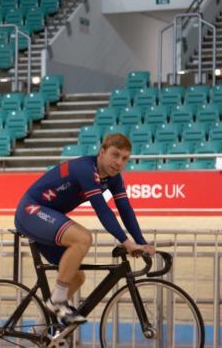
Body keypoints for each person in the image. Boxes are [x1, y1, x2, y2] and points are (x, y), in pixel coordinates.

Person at [14, 133, 156, 325]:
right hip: (31, 211)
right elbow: (103, 210)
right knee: (82, 238)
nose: (119, 162)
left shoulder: (114, 179)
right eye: (115, 155)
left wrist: (141, 242)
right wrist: (127, 242)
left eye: (124, 159)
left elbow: (125, 209)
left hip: (48, 217)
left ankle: (41, 330)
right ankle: (57, 300)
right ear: (102, 152)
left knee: (76, 277)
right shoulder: (85, 169)